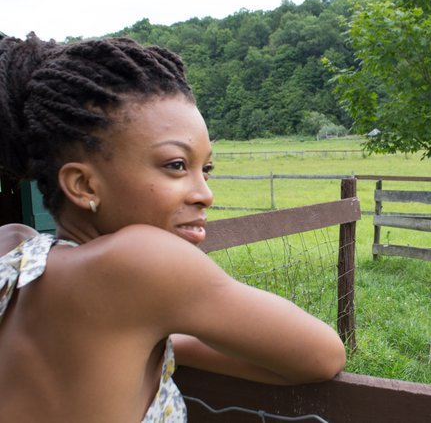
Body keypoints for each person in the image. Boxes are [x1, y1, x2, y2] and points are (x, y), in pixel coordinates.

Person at [0, 33, 346, 422]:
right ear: (83, 185)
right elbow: (322, 355)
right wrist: (175, 339)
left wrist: (156, 334)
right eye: (176, 165)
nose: (205, 194)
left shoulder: (11, 246)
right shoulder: (144, 261)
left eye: (207, 169)